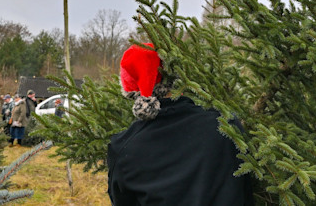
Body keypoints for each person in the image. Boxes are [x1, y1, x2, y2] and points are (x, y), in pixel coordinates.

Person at [107, 43, 255, 205]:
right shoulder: (226, 124)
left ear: (131, 91)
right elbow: (246, 190)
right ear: (175, 78)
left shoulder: (123, 147)